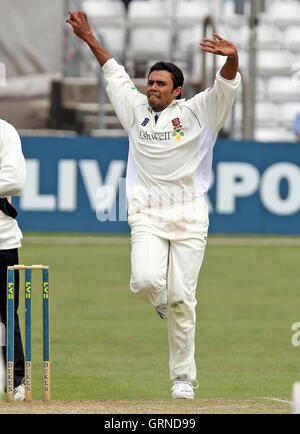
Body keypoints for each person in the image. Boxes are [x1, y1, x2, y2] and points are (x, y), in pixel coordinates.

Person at [67, 10, 240, 400]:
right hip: (146, 210)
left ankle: (182, 378)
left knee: (184, 299)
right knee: (146, 281)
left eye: (161, 84)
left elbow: (226, 84)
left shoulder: (201, 112)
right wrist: (89, 36)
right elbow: (113, 71)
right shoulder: (135, 111)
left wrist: (232, 58)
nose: (153, 88)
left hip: (190, 213)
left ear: (178, 90)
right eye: (150, 82)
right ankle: (163, 302)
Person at [0, 119, 26, 401]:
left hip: (1, 240)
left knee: (6, 314)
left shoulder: (4, 131)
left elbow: (14, 180)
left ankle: (17, 380)